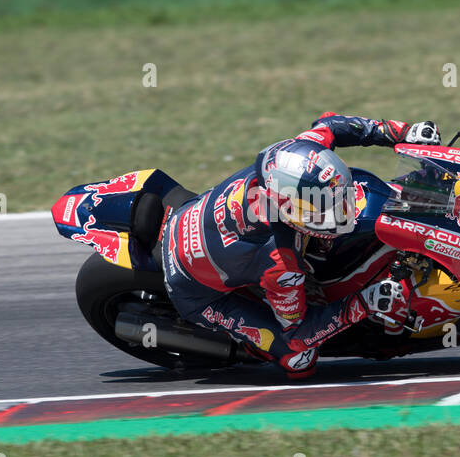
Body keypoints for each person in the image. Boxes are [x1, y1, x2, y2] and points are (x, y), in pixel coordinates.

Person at [159, 113, 441, 378]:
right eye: (322, 209)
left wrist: (401, 132)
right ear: (290, 210)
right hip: (194, 290)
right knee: (299, 359)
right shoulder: (280, 263)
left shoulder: (292, 156)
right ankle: (250, 345)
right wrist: (365, 302)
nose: (341, 211)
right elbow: (297, 333)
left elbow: (330, 125)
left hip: (191, 216)